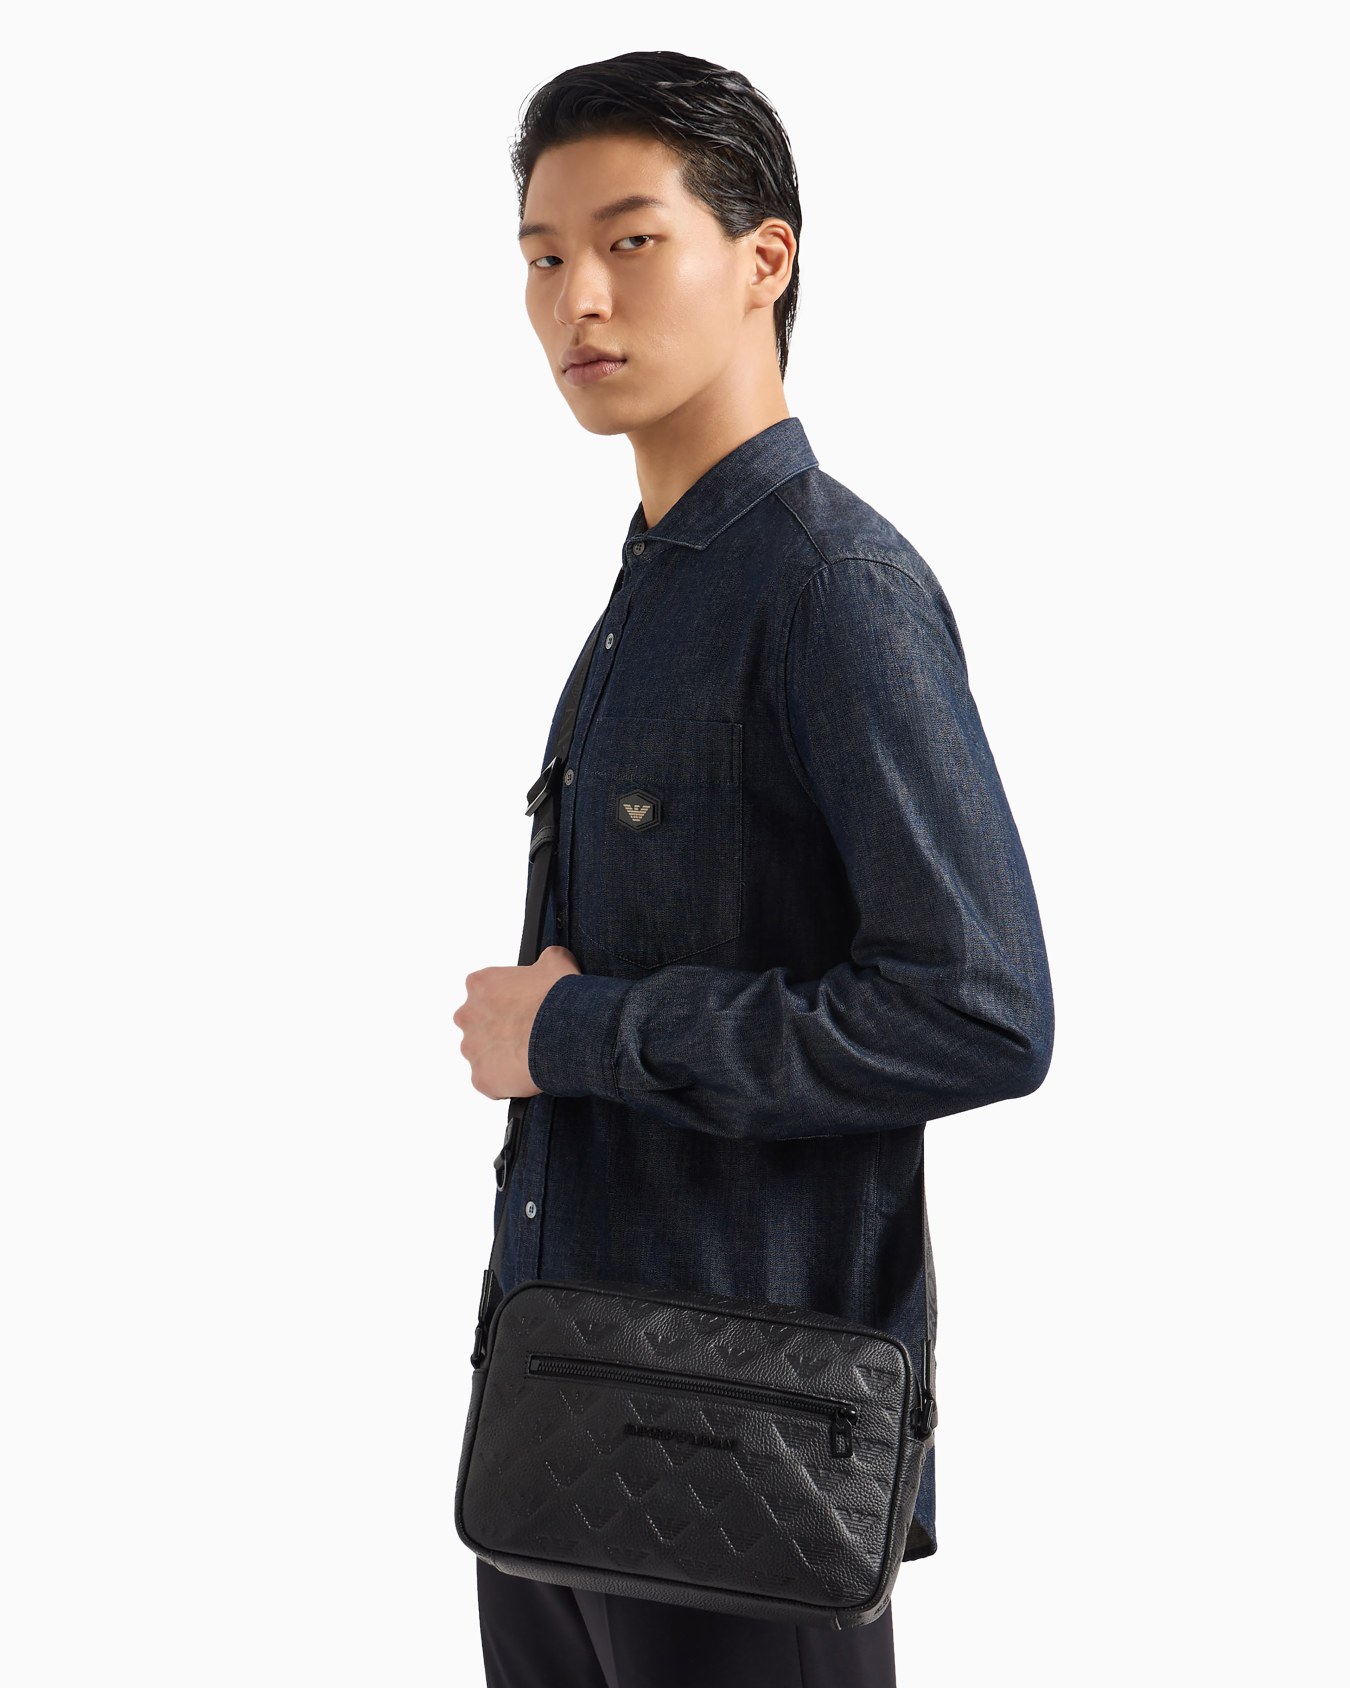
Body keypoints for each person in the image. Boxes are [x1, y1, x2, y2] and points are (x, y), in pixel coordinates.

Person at [452, 48, 1055, 1688]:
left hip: (745, 1456)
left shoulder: (828, 585)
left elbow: (978, 1012)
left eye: (630, 241)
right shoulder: (656, 583)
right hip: (557, 1427)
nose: (577, 296)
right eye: (542, 255)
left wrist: (575, 1034)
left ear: (762, 259)